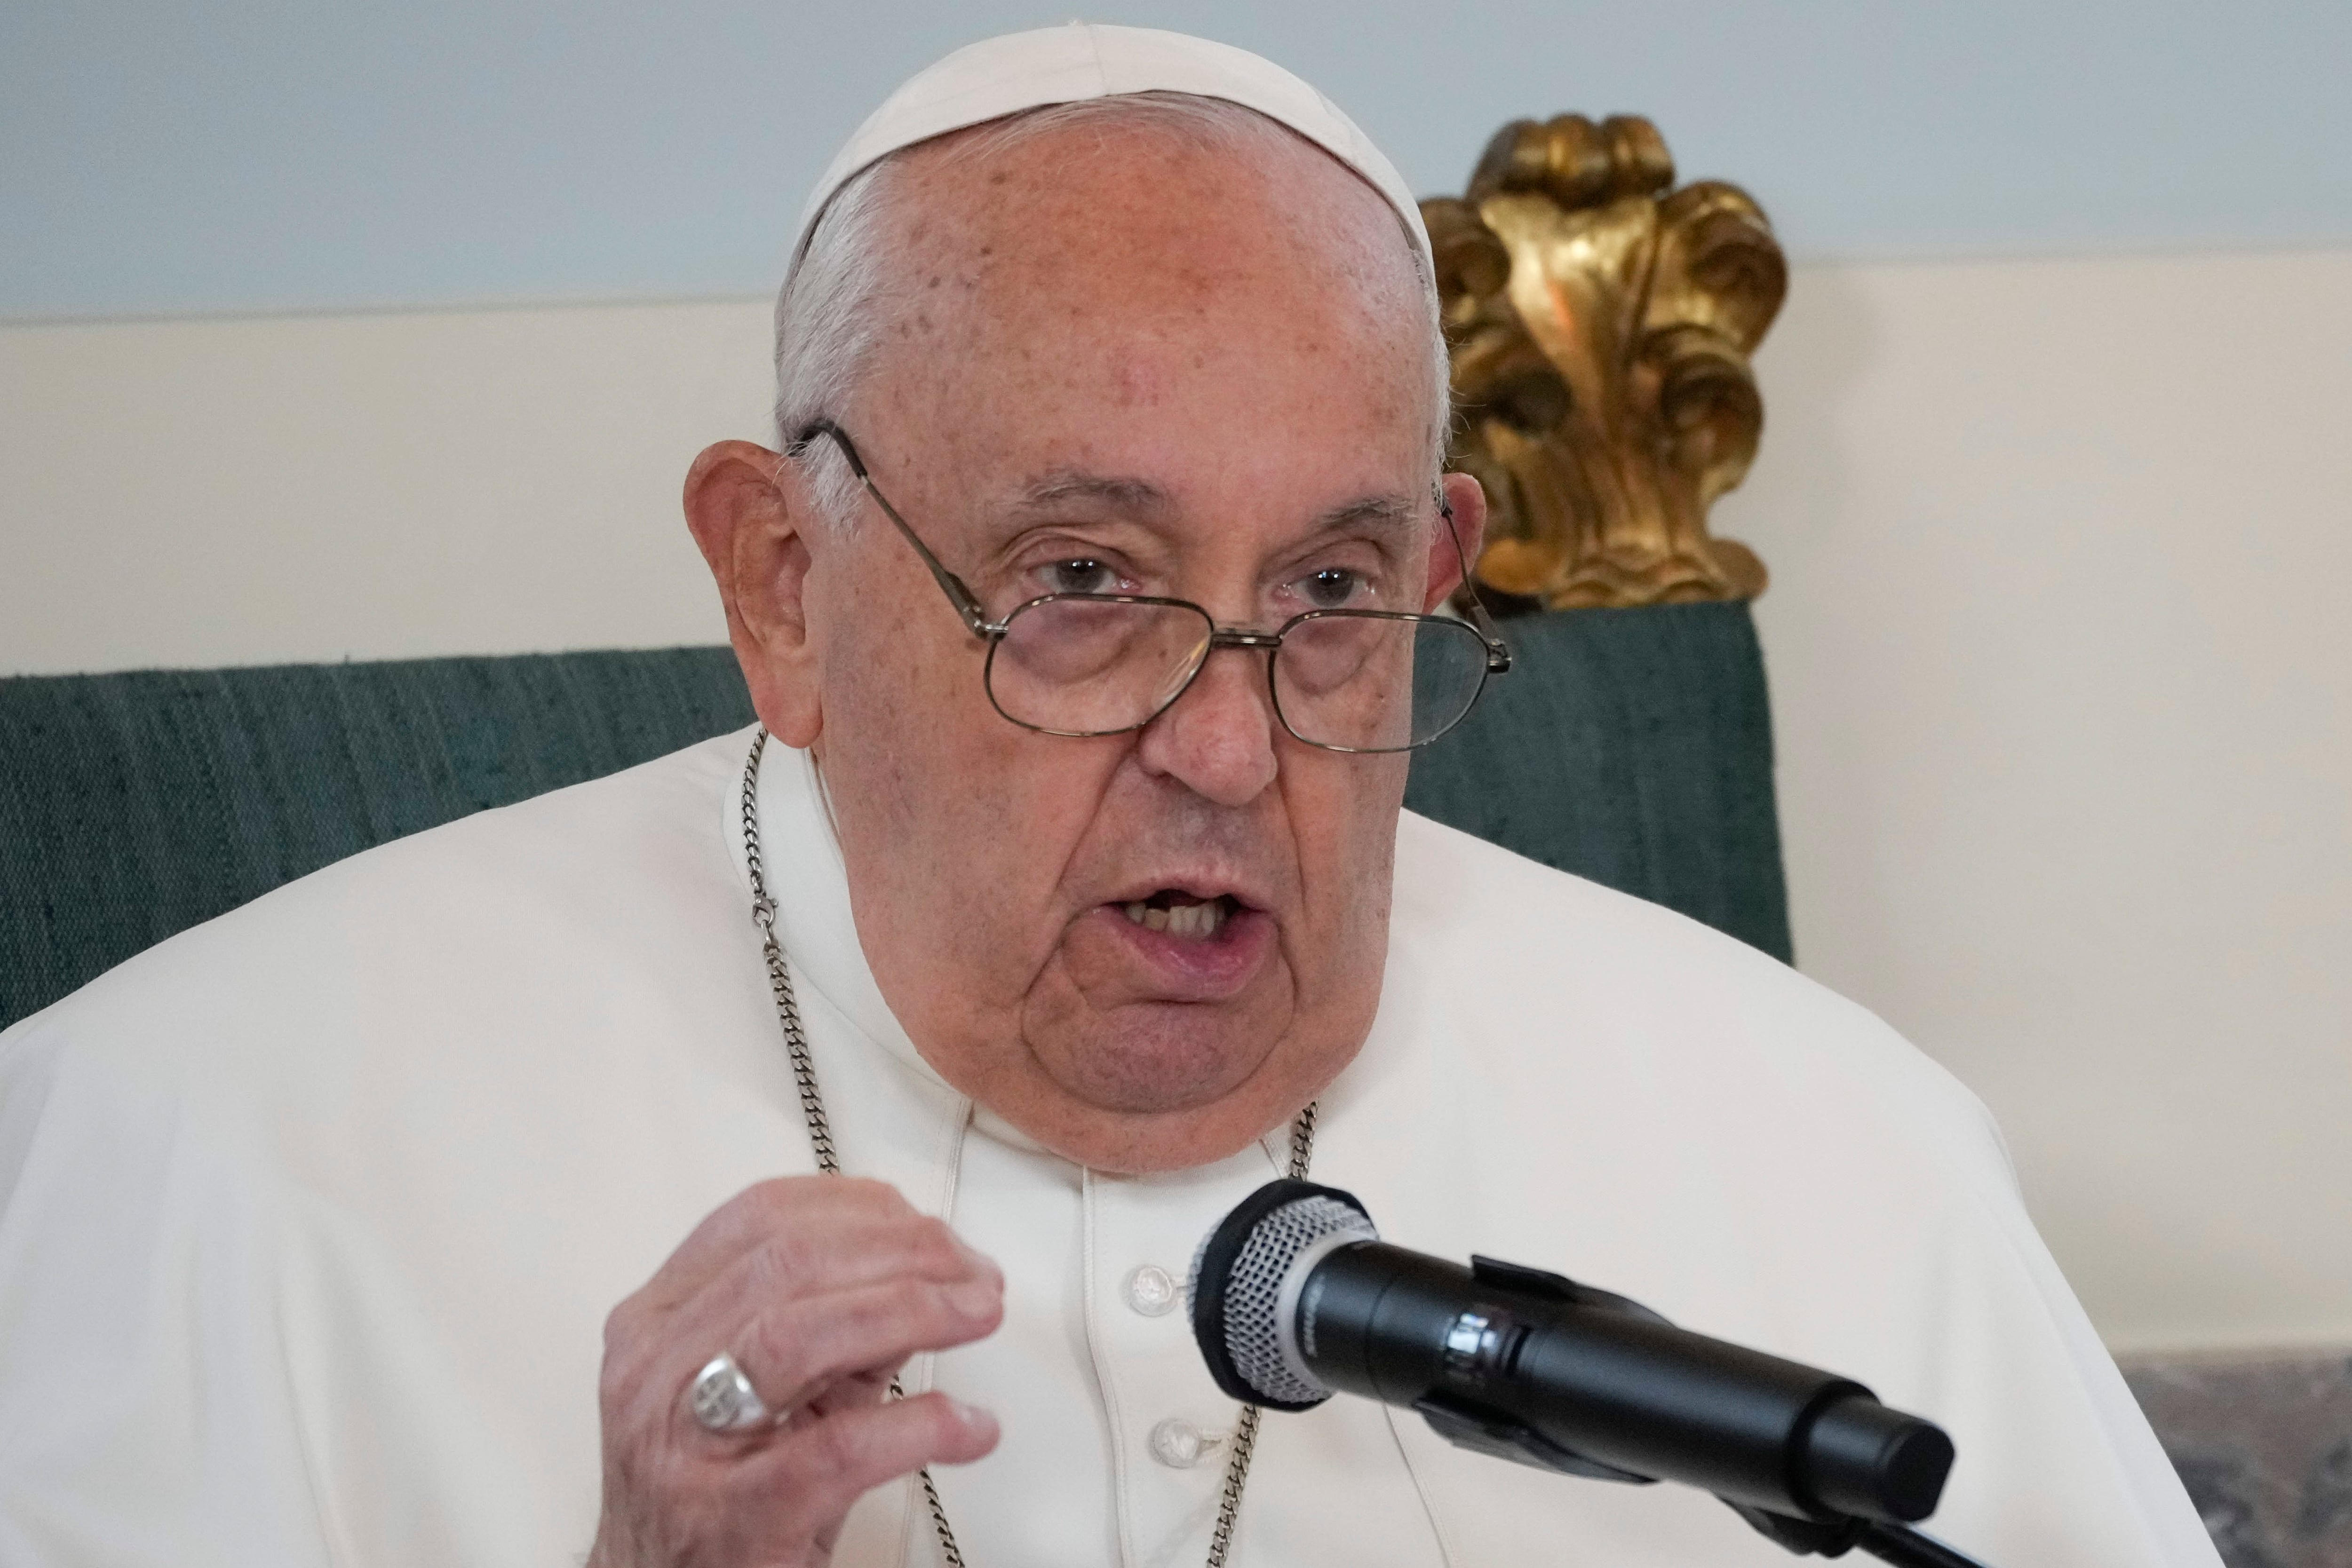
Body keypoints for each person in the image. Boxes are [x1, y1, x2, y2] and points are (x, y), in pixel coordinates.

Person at [0, 24, 2216, 1568]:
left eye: (1332, 590)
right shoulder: (200, 1147)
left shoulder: (1833, 1151)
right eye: (1084, 584)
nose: (1232, 747)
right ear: (782, 586)